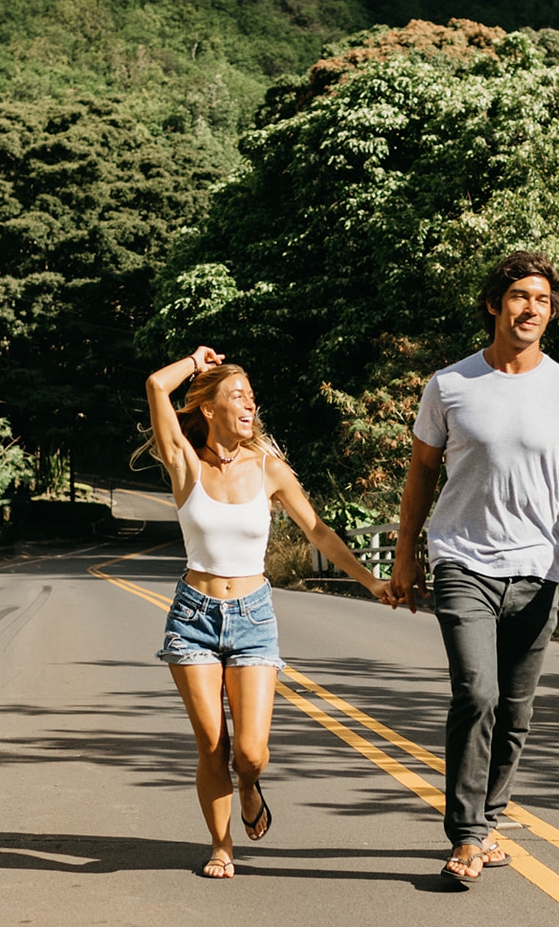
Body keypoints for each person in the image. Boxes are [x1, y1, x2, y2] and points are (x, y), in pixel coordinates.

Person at [387, 251, 559, 882]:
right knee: (478, 693)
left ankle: (488, 820)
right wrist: (405, 554)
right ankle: (465, 835)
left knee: (516, 710)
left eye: (542, 301)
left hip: (537, 569)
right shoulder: (450, 384)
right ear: (495, 304)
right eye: (519, 296)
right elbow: (422, 472)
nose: (531, 309)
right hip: (463, 558)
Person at [140, 345, 395, 880]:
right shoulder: (185, 463)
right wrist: (195, 363)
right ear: (209, 409)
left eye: (252, 397)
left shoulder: (270, 469)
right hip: (193, 616)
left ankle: (250, 784)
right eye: (237, 396)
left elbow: (318, 531)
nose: (249, 405)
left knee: (249, 753)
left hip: (254, 615)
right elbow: (156, 387)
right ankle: (221, 844)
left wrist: (371, 580)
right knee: (212, 746)